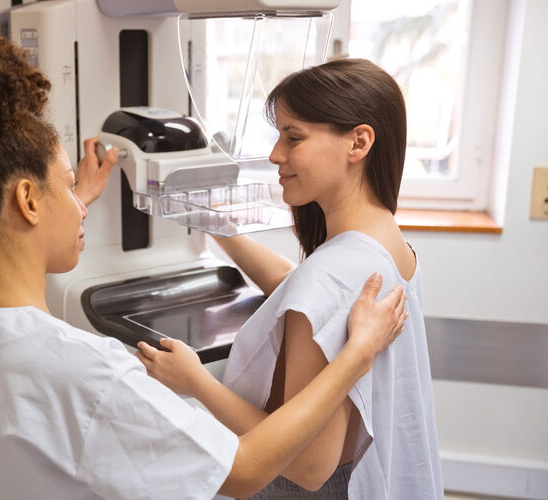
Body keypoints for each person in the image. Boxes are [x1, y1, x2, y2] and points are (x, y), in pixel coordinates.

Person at [0, 32, 407, 500]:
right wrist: (356, 354)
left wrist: (72, 199)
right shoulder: (88, 373)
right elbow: (244, 469)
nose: (79, 199)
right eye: (68, 186)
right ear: (27, 202)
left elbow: (9, 244)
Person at [138, 59, 443, 499]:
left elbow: (308, 465)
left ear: (358, 142)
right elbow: (304, 288)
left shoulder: (330, 275)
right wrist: (219, 228)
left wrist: (195, 382)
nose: (276, 154)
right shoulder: (389, 246)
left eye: (293, 137)